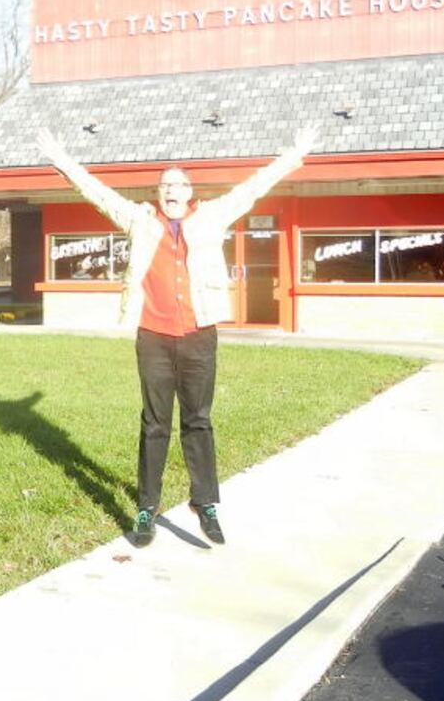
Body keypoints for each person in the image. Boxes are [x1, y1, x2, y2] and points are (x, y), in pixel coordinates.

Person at [36, 122, 319, 547]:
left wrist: (294, 154)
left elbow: (252, 188)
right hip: (152, 336)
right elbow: (95, 192)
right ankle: (147, 507)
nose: (171, 190)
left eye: (178, 184)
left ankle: (203, 502)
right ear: (159, 192)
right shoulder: (139, 219)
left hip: (199, 335)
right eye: (165, 184)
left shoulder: (211, 216)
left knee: (198, 420)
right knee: (154, 423)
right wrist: (60, 160)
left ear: (190, 192)